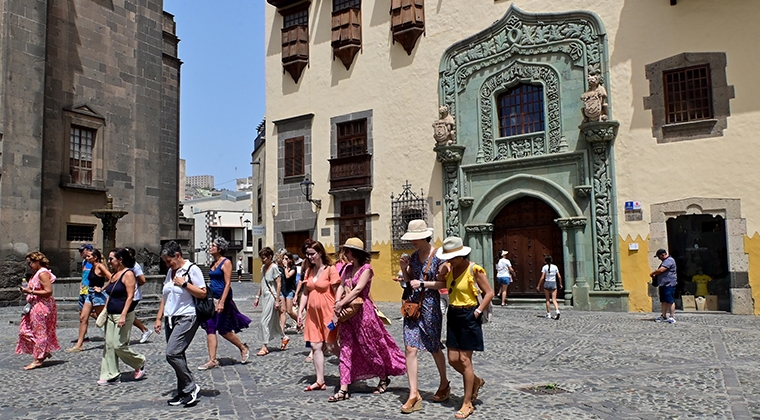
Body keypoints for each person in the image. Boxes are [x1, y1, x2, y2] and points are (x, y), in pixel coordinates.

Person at [329, 238, 406, 402]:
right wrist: (337, 303)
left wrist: (341, 303)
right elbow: (341, 285)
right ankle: (343, 388)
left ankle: (383, 376)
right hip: (347, 315)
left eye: (348, 251)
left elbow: (358, 289)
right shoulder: (347, 268)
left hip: (364, 315)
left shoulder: (367, 269)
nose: (345, 254)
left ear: (354, 253)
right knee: (345, 348)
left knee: (370, 348)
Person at [437, 236, 494, 419]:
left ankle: (467, 402)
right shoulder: (450, 270)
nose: (449, 260)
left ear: (461, 256)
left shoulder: (474, 269)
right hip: (454, 314)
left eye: (451, 258)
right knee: (453, 359)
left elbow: (489, 292)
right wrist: (441, 271)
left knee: (464, 360)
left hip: (469, 314)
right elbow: (442, 284)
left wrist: (477, 311)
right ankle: (475, 381)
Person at [397, 219, 449, 414]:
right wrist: (404, 268)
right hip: (413, 306)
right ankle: (414, 393)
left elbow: (442, 284)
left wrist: (423, 284)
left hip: (430, 305)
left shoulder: (438, 256)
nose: (413, 242)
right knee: (410, 348)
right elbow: (409, 280)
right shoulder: (413, 256)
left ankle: (444, 383)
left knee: (434, 346)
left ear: (425, 236)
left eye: (416, 239)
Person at [154, 241, 205, 407]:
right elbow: (166, 295)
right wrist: (158, 317)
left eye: (169, 261)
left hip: (187, 316)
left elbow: (203, 293)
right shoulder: (171, 271)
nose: (167, 264)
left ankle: (191, 386)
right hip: (171, 318)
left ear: (177, 255)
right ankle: (183, 392)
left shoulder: (192, 269)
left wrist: (184, 283)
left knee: (172, 353)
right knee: (179, 354)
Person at [198, 237, 251, 370]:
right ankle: (212, 360)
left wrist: (221, 302)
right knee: (210, 327)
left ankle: (242, 347)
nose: (210, 247)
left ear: (219, 248)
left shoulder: (226, 262)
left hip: (223, 299)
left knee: (223, 329)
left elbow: (228, 284)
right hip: (212, 298)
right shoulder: (212, 263)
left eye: (213, 245)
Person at [99, 248, 146, 385]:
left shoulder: (128, 274)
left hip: (122, 314)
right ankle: (111, 374)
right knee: (109, 345)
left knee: (119, 344)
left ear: (120, 260)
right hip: (111, 314)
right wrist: (105, 310)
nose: (109, 261)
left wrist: (123, 315)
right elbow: (110, 294)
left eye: (111, 259)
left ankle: (139, 361)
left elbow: (130, 296)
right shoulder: (114, 274)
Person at [297, 240, 340, 392]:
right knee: (315, 346)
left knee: (331, 345)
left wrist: (337, 309)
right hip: (313, 314)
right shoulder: (309, 271)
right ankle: (320, 380)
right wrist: (300, 312)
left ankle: (350, 368)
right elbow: (306, 293)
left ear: (320, 253)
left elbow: (337, 290)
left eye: (312, 254)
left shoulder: (330, 270)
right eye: (307, 254)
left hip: (328, 312)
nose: (309, 257)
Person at [17, 251, 60, 370]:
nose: (29, 265)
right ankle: (43, 351)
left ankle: (38, 359)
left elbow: (48, 292)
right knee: (24, 330)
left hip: (42, 306)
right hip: (34, 305)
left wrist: (29, 291)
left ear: (37, 262)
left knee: (39, 333)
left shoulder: (42, 274)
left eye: (30, 262)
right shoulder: (36, 274)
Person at [68, 248, 111, 352]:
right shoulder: (92, 266)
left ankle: (112, 341)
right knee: (83, 317)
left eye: (89, 256)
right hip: (89, 293)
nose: (86, 258)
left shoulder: (100, 266)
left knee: (103, 319)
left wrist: (102, 288)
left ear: (95, 257)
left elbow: (112, 277)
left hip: (98, 295)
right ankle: (79, 345)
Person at [254, 247, 289, 356]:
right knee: (273, 321)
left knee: (264, 321)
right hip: (264, 297)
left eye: (264, 258)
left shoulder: (274, 267)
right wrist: (257, 296)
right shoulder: (264, 267)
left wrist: (277, 300)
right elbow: (262, 282)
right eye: (261, 258)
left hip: (271, 296)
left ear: (270, 257)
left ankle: (264, 346)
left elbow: (278, 284)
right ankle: (284, 337)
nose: (262, 260)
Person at [125, 247, 152, 343]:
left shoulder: (135, 266)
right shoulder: (124, 265)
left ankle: (144, 330)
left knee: (127, 314)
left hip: (133, 295)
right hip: (125, 295)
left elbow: (142, 280)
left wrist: (134, 286)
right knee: (127, 314)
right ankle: (144, 330)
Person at [650, 248, 677, 323]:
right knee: (664, 301)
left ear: (663, 255)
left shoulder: (669, 260)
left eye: (659, 256)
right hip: (663, 284)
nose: (659, 258)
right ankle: (664, 316)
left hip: (669, 284)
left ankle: (672, 316)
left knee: (670, 301)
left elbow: (661, 270)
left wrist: (653, 273)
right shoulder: (665, 261)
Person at [74, 243, 94, 344]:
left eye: (82, 251)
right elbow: (83, 274)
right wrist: (81, 284)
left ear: (89, 250)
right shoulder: (84, 262)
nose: (80, 253)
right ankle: (84, 336)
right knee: (81, 313)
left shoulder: (94, 261)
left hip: (90, 289)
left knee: (93, 313)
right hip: (84, 289)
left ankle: (106, 327)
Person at [277, 251, 298, 332]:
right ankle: (282, 329)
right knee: (283, 310)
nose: (284, 260)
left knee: (289, 311)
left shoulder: (293, 268)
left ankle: (300, 323)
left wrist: (285, 267)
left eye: (286, 259)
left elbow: (288, 276)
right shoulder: (281, 268)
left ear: (290, 260)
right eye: (283, 259)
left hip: (290, 290)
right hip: (282, 290)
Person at [537, 255, 563, 320]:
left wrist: (538, 285)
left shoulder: (544, 267)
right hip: (553, 283)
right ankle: (557, 311)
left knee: (547, 300)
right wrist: (560, 284)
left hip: (547, 283)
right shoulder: (555, 267)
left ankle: (548, 314)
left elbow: (542, 277)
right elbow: (559, 276)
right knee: (554, 299)